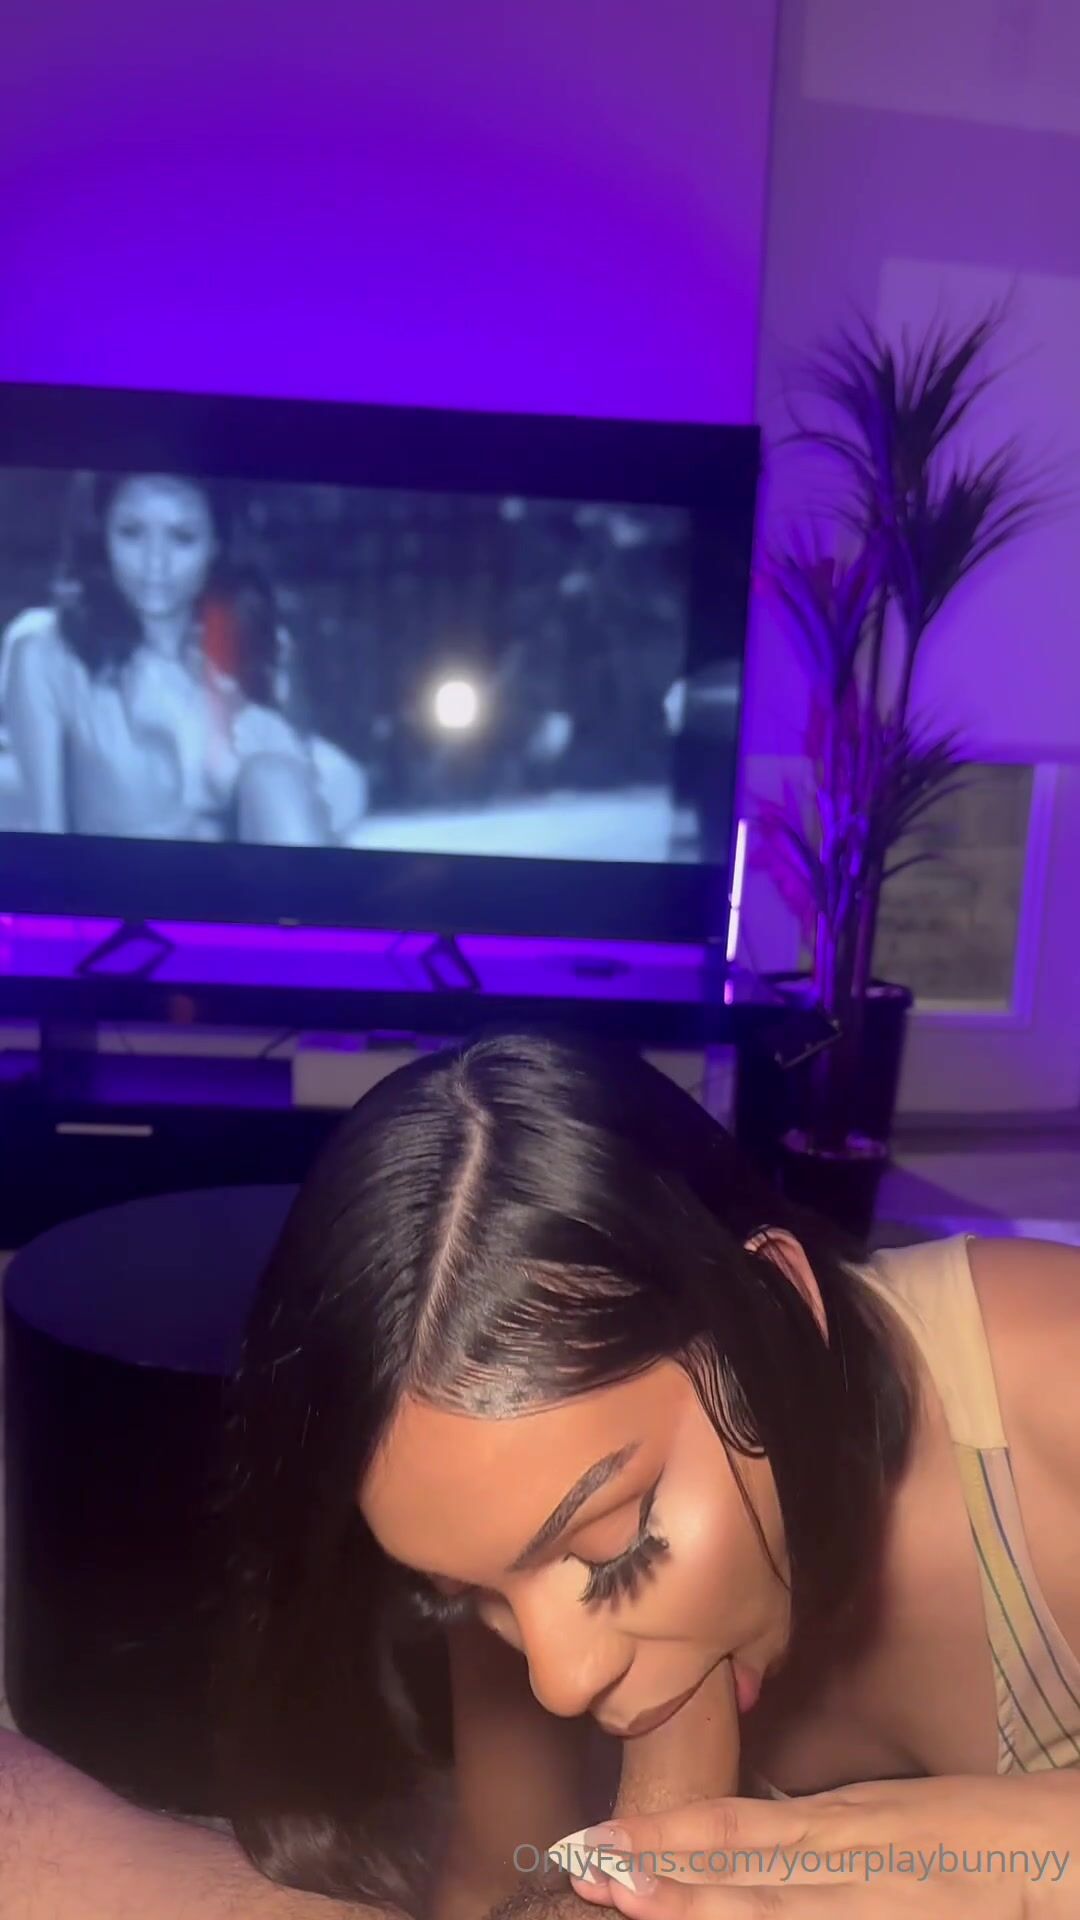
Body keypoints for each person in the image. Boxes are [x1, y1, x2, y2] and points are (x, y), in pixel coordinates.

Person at [2, 1031, 1079, 1920]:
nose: (560, 1679)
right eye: (465, 1592)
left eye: (612, 1547)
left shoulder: (1053, 1381)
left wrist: (1012, 1859)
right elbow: (493, 1881)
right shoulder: (517, 1566)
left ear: (780, 1309)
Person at [1, 472, 358, 846]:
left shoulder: (261, 649)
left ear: (217, 543)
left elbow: (317, 807)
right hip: (112, 881)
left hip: (249, 877)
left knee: (279, 778)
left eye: (182, 537)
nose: (155, 563)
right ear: (101, 533)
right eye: (131, 532)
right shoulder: (45, 651)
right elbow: (46, 832)